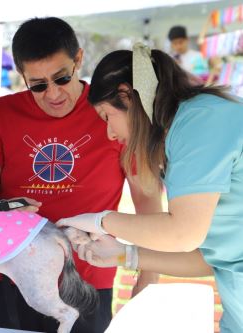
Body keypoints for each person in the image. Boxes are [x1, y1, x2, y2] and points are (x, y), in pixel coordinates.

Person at [0, 17, 162, 333]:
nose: (53, 94)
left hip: (87, 281)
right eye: (38, 85)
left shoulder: (111, 112)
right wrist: (3, 211)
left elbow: (148, 202)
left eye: (61, 78)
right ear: (22, 76)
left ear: (79, 60)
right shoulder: (3, 112)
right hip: (12, 276)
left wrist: (147, 280)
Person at [57, 43, 243, 333]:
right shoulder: (183, 130)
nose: (109, 133)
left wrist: (101, 220)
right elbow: (214, 258)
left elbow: (182, 233)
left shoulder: (200, 121)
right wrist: (126, 255)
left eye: (107, 116)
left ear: (126, 95)